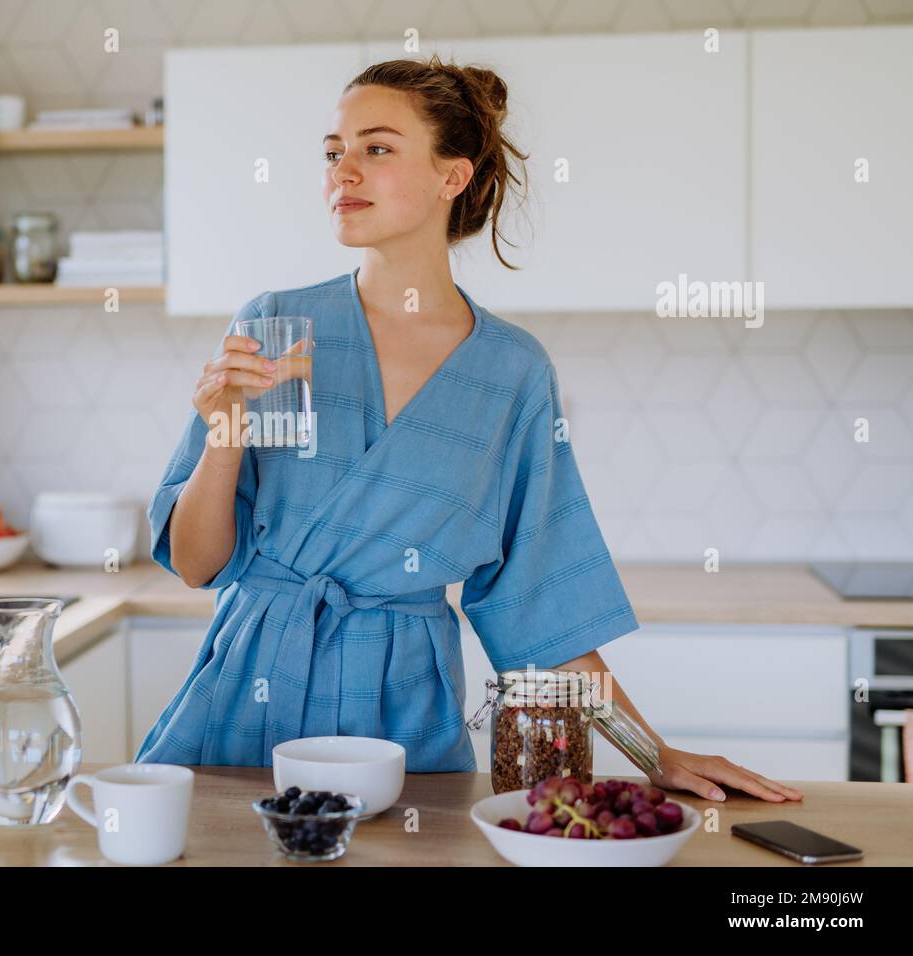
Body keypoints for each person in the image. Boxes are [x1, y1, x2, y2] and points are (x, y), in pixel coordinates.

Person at [135, 55, 802, 804]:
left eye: (376, 149)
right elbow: (197, 564)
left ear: (452, 177)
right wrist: (223, 439)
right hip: (243, 704)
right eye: (333, 152)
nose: (341, 172)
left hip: (400, 724)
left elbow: (541, 605)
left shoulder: (512, 373)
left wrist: (653, 755)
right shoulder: (274, 326)